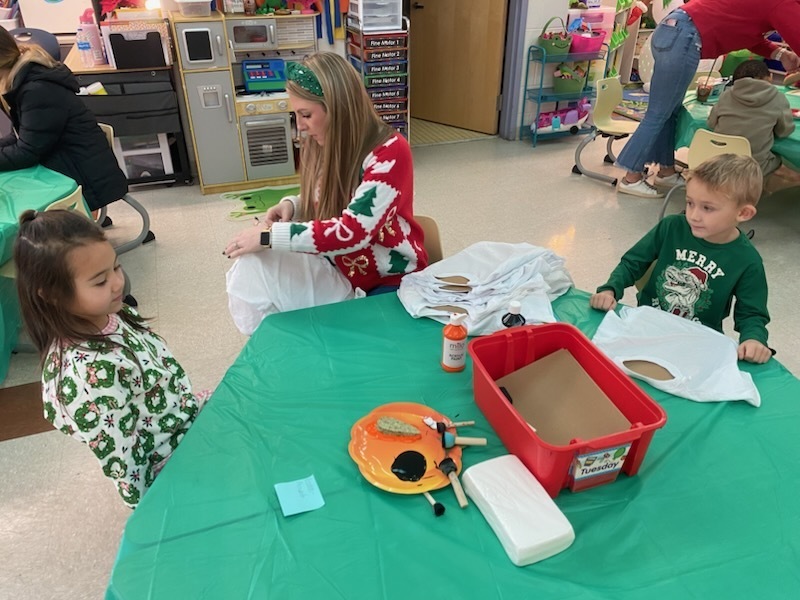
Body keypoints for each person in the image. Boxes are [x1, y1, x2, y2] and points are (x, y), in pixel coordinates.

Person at [14, 210, 208, 508]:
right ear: (52, 294)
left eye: (116, 267)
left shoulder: (110, 312)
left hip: (182, 418)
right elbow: (124, 459)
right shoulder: (88, 376)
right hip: (169, 461)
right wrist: (150, 510)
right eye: (100, 281)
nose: (117, 283)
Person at [224, 52, 428, 335]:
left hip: (386, 284)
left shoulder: (390, 152)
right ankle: (273, 343)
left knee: (263, 260)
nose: (300, 126)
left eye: (306, 115)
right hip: (339, 271)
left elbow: (353, 230)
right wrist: (295, 206)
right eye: (296, 115)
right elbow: (332, 199)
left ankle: (281, 343)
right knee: (253, 264)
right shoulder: (324, 143)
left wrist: (269, 236)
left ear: (339, 109)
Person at [590, 154, 771, 364]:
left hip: (696, 343)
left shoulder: (747, 260)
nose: (693, 215)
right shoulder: (672, 227)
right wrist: (610, 289)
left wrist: (754, 339)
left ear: (744, 213)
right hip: (647, 327)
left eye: (707, 208)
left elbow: (752, 313)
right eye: (690, 203)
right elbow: (633, 262)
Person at [615, 0, 800, 198]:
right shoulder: (784, 3)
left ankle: (666, 171)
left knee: (669, 111)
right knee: (658, 114)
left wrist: (781, 54)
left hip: (676, 29)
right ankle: (631, 178)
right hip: (684, 34)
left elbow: (747, 35)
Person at [0, 27, 127, 211]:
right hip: (67, 164)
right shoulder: (19, 78)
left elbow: (27, 152)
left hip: (83, 177)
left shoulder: (36, 90)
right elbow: (21, 135)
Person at [708, 59, 800, 187]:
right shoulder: (778, 98)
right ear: (770, 76)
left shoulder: (726, 95)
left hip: (719, 160)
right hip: (754, 166)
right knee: (779, 159)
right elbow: (784, 131)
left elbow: (711, 123)